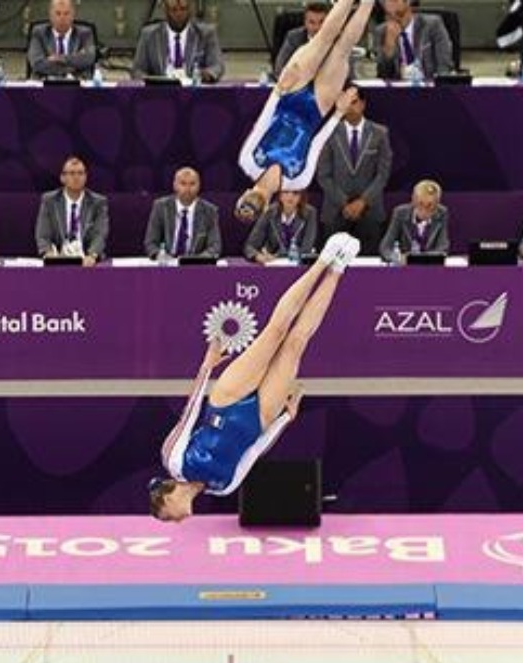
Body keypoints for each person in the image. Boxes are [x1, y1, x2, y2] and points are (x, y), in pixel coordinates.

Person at [150, 233, 361, 522]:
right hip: (258, 418)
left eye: (167, 517)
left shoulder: (173, 460)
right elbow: (253, 451)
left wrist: (207, 366)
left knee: (275, 333)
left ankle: (322, 261)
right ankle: (338, 268)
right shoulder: (224, 487)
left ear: (165, 498)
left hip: (225, 401)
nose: (175, 521)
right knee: (296, 343)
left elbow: (190, 412)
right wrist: (286, 418)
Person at [235, 0, 375, 223]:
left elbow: (264, 124)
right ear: (244, 196)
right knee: (337, 46)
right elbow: (312, 142)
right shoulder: (292, 179)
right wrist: (278, 93)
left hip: (291, 97)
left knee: (333, 43)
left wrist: (280, 90)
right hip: (310, 108)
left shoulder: (255, 164)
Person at [315, 85, 392, 255]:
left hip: (370, 209)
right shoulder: (329, 132)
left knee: (371, 268)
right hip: (336, 209)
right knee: (331, 266)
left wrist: (362, 202)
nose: (349, 106)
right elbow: (323, 175)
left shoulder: (380, 133)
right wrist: (345, 203)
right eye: (345, 102)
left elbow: (383, 174)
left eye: (354, 102)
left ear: (363, 104)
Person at [36, 156, 108, 265]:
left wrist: (92, 255)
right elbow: (42, 234)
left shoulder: (98, 202)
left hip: (88, 259)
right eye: (72, 173)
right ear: (62, 178)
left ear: (85, 177)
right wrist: (48, 253)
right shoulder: (49, 201)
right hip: (59, 258)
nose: (76, 177)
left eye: (80, 173)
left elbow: (100, 234)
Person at [130, 0, 224, 82]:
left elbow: (217, 66)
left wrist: (207, 75)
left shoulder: (206, 34)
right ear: (165, 11)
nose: (179, 14)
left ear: (190, 10)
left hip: (195, 95)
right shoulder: (149, 35)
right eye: (174, 10)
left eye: (183, 9)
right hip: (159, 95)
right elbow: (137, 70)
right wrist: (151, 81)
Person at [143, 167, 222, 260]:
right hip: (166, 265)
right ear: (175, 185)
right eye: (183, 183)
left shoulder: (210, 211)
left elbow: (215, 247)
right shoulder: (161, 207)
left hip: (195, 266)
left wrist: (195, 261)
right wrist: (159, 255)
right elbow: (150, 242)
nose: (187, 189)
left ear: (199, 186)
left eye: (192, 184)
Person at [372, 0, 454, 80]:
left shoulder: (433, 25)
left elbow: (444, 68)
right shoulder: (381, 31)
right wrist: (389, 46)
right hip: (399, 91)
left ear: (408, 2)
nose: (388, 4)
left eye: (394, 0)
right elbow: (383, 76)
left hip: (429, 88)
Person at [275, 2, 353, 80]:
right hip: (299, 86)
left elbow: (349, 73)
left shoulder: (339, 39)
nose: (317, 27)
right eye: (312, 22)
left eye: (321, 22)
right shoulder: (293, 38)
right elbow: (280, 69)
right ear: (305, 22)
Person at [379, 179, 449, 264]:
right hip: (404, 267)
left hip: (430, 266)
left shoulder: (442, 213)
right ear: (413, 200)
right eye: (420, 204)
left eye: (430, 205)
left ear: (437, 204)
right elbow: (385, 247)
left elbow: (443, 246)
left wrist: (424, 260)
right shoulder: (400, 213)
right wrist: (398, 259)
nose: (424, 210)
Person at [26, 0, 97, 79]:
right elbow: (37, 64)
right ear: (50, 15)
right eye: (58, 13)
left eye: (66, 13)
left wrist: (60, 58)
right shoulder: (39, 33)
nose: (62, 18)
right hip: (46, 85)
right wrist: (72, 67)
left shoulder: (85, 34)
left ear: (73, 15)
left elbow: (88, 59)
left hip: (77, 86)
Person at [245, 190, 319, 263]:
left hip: (298, 264)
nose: (290, 197)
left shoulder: (310, 213)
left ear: (301, 196)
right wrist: (259, 257)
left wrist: (284, 257)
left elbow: (306, 248)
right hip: (273, 264)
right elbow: (250, 246)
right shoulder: (269, 212)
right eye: (286, 192)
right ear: (280, 195)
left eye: (295, 193)